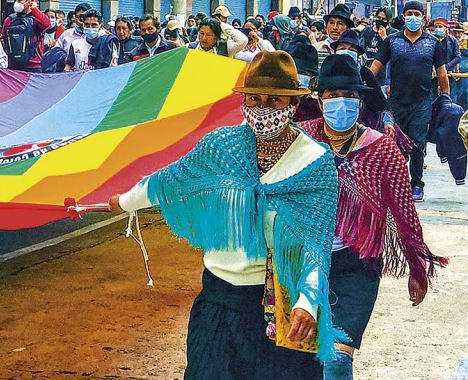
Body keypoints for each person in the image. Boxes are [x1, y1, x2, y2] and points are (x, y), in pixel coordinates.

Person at [109, 50, 344, 379]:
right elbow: (171, 181)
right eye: (255, 98)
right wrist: (123, 202)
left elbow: (315, 244)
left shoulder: (314, 163)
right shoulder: (221, 146)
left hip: (278, 307)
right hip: (218, 303)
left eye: (275, 100)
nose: (263, 109)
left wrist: (307, 299)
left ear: (293, 104)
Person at [298, 54, 446, 379]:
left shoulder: (381, 148)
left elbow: (405, 213)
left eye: (349, 96)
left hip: (357, 267)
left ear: (361, 100)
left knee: (336, 361)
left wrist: (417, 267)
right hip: (301, 263)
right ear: (319, 99)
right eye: (333, 96)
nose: (341, 103)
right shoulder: (299, 139)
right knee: (301, 361)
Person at [370, 0, 449, 202]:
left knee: (417, 143)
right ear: (404, 16)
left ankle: (416, 184)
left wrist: (446, 97)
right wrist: (364, 85)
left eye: (417, 14)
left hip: (422, 102)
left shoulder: (432, 43)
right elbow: (377, 65)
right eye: (409, 13)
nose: (413, 17)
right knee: (394, 143)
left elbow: (441, 72)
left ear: (423, 18)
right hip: (396, 101)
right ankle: (394, 182)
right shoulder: (391, 41)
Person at [1, 0, 50, 72]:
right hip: (13, 65)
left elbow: (47, 24)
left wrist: (34, 9)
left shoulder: (36, 18)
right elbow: (4, 37)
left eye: (21, 0)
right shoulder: (10, 19)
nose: (18, 2)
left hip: (33, 65)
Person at [314, 4, 351, 70]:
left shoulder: (353, 51)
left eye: (340, 23)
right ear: (326, 26)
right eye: (331, 23)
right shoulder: (315, 49)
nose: (335, 27)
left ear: (347, 28)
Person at [291, 43, 322, 122]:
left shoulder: (316, 109)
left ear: (313, 80)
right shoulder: (279, 101)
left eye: (304, 73)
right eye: (295, 72)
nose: (298, 77)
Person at [450, 22, 468, 109]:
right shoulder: (450, 42)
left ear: (462, 33)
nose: (457, 34)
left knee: (465, 91)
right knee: (453, 91)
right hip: (452, 68)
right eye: (455, 32)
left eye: (459, 32)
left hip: (466, 69)